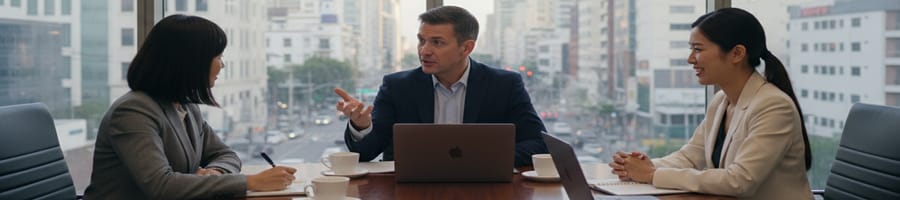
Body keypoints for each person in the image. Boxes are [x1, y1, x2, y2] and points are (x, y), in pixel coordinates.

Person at [84, 14, 296, 199]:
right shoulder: (133, 112)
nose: (222, 65)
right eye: (218, 57)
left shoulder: (185, 106)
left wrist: (215, 173)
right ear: (191, 62)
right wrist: (250, 182)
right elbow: (161, 186)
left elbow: (227, 155)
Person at [609, 8, 813, 200]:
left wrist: (653, 175)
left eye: (698, 49)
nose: (690, 59)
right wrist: (641, 167)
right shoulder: (721, 100)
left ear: (737, 54)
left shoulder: (774, 106)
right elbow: (690, 157)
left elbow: (740, 180)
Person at [334, 6, 548, 167]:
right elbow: (366, 153)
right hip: (410, 191)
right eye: (421, 41)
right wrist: (361, 127)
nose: (424, 51)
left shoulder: (504, 85)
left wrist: (480, 158)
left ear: (466, 48)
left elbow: (540, 144)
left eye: (437, 42)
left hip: (482, 188)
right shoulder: (397, 86)